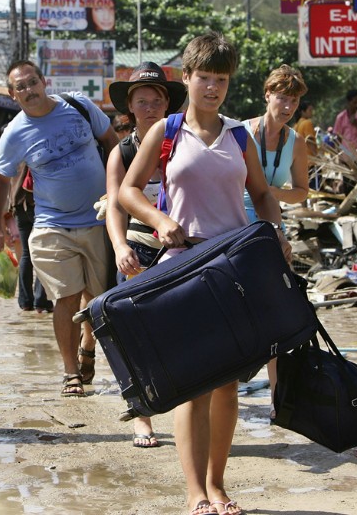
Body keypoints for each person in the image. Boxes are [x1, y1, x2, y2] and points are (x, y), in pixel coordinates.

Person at [118, 32, 292, 515]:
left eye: (222, 80)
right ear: (188, 78)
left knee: (228, 385)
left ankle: (217, 485)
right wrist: (159, 220)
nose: (213, 88)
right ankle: (195, 493)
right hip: (183, 269)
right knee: (193, 386)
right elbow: (129, 191)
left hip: (233, 269)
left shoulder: (240, 136)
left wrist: (275, 228)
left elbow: (261, 194)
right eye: (204, 78)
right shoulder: (167, 130)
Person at [0, 60, 119, 398]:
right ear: (12, 95)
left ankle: (88, 345)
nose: (29, 91)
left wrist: (118, 195)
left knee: (98, 298)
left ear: (44, 81)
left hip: (99, 219)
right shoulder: (15, 133)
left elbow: (111, 143)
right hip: (52, 224)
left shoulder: (78, 105)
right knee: (66, 296)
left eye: (33, 82)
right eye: (21, 87)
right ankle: (70, 373)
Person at [106, 60, 188, 449]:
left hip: (183, 246)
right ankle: (143, 416)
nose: (150, 107)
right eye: (142, 101)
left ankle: (189, 410)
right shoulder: (122, 152)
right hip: (139, 247)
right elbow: (116, 207)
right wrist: (120, 246)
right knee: (133, 336)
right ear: (130, 108)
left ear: (168, 104)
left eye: (157, 100)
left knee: (181, 333)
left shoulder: (184, 142)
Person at [241, 64, 311, 419]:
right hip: (234, 227)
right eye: (281, 97)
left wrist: (270, 192)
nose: (286, 107)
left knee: (276, 316)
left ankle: (277, 398)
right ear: (267, 95)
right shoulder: (240, 133)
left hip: (273, 228)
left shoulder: (296, 142)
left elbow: (301, 192)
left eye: (293, 101)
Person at [9, 164, 53, 314]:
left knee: (27, 254)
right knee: (43, 252)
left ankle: (25, 301)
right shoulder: (35, 150)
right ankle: (41, 300)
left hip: (18, 205)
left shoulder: (15, 152)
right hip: (36, 205)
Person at [332, 88, 357, 167]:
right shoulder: (341, 117)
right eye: (354, 103)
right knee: (347, 179)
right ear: (348, 102)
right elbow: (337, 137)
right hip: (346, 156)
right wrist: (339, 153)